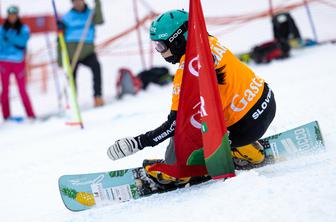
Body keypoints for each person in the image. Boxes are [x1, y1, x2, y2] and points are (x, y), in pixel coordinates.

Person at [107, 10, 276, 185]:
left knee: (184, 131)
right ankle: (249, 152)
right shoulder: (209, 41)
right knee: (204, 113)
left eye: (160, 46)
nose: (160, 52)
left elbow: (175, 124)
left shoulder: (187, 72)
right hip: (267, 103)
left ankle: (177, 174)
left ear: (177, 41)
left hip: (244, 128)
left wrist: (138, 142)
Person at [57, 0, 104, 107]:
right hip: (72, 54)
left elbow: (100, 20)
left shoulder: (91, 13)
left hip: (87, 52)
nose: (78, 3)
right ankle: (72, 100)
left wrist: (98, 3)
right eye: (75, 1)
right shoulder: (66, 18)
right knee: (71, 77)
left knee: (96, 67)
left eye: (79, 1)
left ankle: (98, 96)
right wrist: (60, 59)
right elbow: (59, 39)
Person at [0, 6, 36, 120]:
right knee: (5, 90)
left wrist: (10, 38)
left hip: (18, 61)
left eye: (14, 15)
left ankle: (31, 115)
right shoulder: (2, 29)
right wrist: (13, 40)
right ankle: (6, 116)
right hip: (4, 62)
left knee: (22, 89)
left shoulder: (23, 28)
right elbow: (1, 45)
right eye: (10, 15)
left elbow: (22, 41)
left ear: (17, 15)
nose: (12, 17)